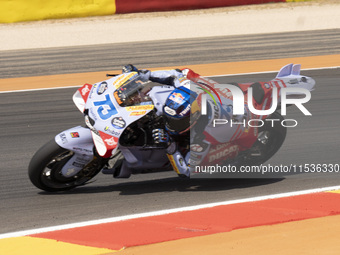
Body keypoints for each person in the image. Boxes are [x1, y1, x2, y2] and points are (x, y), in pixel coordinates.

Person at [121, 64, 259, 177]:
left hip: (237, 129)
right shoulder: (189, 88)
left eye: (177, 122)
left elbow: (186, 171)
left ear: (194, 119)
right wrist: (144, 74)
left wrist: (170, 145)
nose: (171, 124)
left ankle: (232, 157)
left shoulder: (202, 137)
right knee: (181, 76)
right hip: (217, 97)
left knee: (210, 160)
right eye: (169, 119)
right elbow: (176, 74)